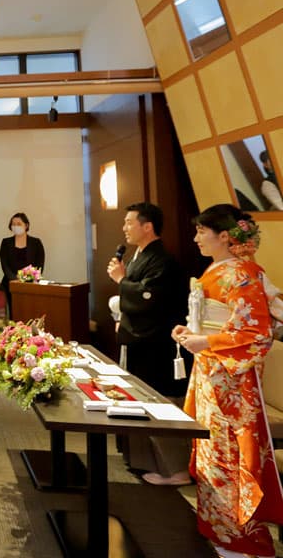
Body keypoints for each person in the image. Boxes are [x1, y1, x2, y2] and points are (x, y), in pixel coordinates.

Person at [172, 204, 283, 558]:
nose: (196, 238)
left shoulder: (244, 273)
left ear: (224, 235)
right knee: (210, 452)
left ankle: (242, 541)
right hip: (210, 374)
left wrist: (206, 341)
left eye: (202, 231)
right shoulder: (218, 269)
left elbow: (256, 330)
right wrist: (191, 333)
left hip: (232, 381)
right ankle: (219, 535)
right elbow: (210, 319)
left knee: (232, 456)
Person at [106, 201, 190, 485]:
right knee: (139, 401)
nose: (125, 228)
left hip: (156, 345)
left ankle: (176, 470)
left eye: (129, 222)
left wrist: (121, 280)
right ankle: (143, 461)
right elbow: (135, 295)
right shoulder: (139, 256)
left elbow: (149, 299)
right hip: (138, 341)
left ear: (147, 226)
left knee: (159, 403)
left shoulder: (163, 260)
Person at [0, 212, 45, 318]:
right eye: (13, 224)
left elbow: (40, 265)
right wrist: (15, 280)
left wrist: (29, 280)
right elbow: (4, 264)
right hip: (10, 285)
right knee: (13, 315)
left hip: (30, 285)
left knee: (30, 314)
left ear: (26, 225)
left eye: (18, 224)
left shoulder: (36, 242)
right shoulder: (6, 243)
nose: (15, 226)